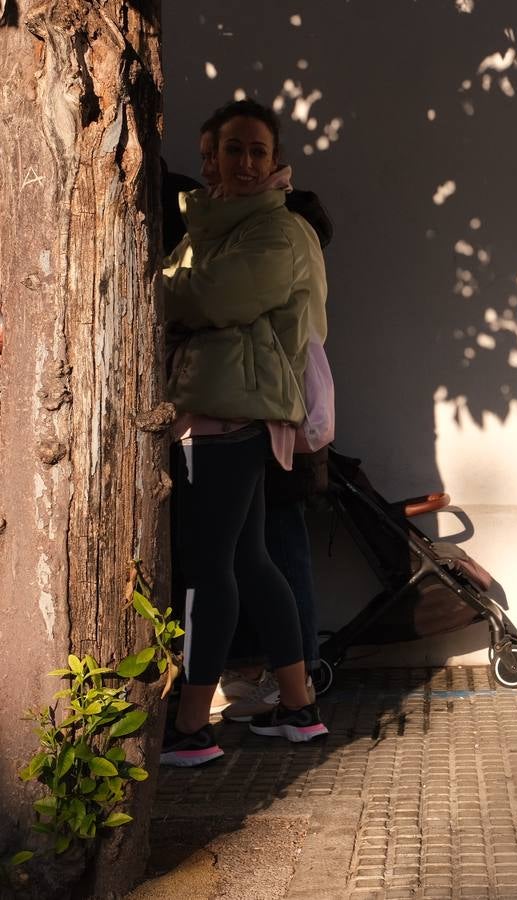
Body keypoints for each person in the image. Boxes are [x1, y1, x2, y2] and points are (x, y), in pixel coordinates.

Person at [160, 97, 329, 765]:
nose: (244, 162)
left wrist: (173, 291)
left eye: (257, 150)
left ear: (275, 158)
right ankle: (300, 709)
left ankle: (192, 727)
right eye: (233, 150)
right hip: (224, 402)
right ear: (211, 158)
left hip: (230, 407)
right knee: (249, 563)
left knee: (208, 571)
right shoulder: (220, 225)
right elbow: (190, 286)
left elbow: (206, 298)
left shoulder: (273, 232)